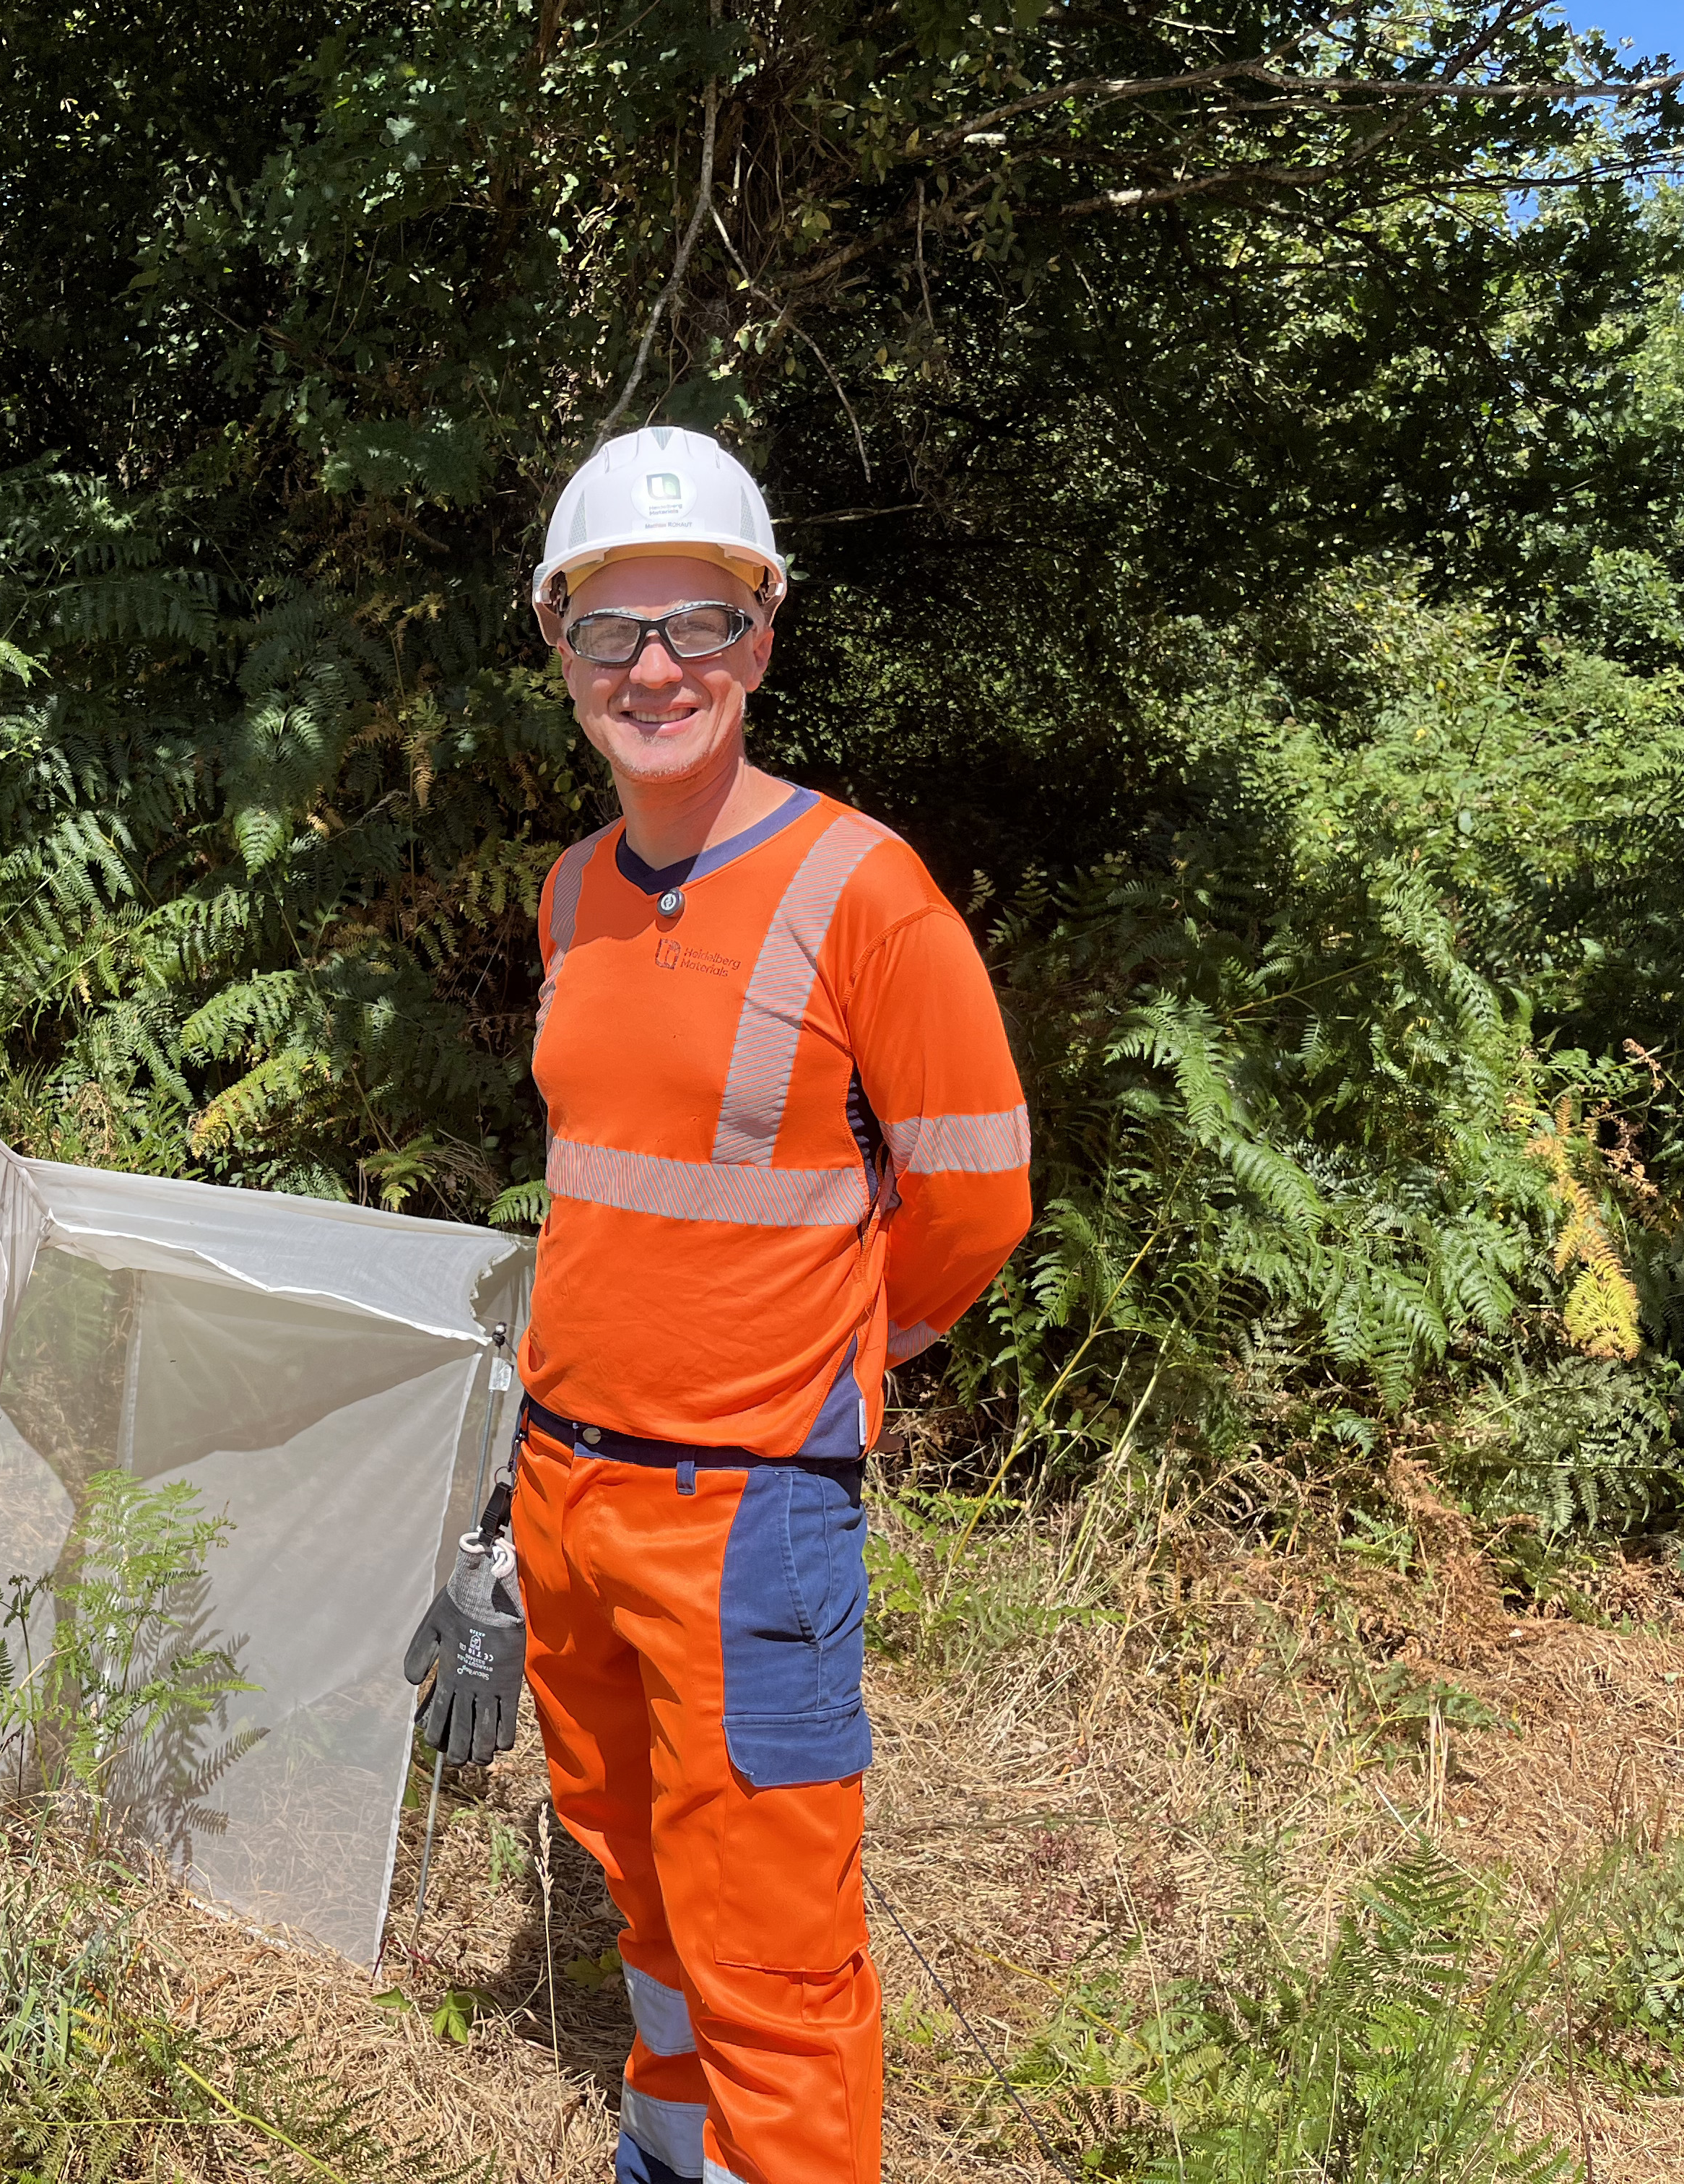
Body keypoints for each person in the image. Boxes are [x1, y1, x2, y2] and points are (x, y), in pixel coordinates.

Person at [406, 428, 1032, 2184]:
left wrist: (844, 1353)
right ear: (560, 647)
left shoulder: (865, 892)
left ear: (761, 638)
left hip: (750, 1510)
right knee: (641, 1885)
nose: (656, 668)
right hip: (569, 1487)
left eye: (700, 624)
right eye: (613, 630)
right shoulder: (573, 894)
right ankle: (671, 2156)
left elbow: (978, 1198)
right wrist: (513, 1502)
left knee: (772, 1950)